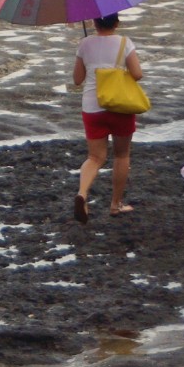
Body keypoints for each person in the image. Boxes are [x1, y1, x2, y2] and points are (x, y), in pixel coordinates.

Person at [72, 13, 141, 222]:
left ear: (94, 22)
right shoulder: (124, 42)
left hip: (93, 107)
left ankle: (82, 194)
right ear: (117, 23)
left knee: (95, 158)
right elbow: (137, 74)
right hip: (120, 105)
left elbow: (77, 80)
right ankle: (115, 205)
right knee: (121, 154)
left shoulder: (85, 44)